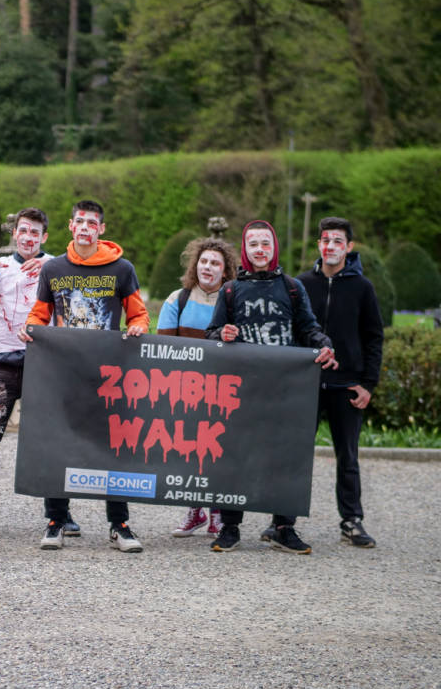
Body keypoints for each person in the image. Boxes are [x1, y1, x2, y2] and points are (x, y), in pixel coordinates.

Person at [19, 200, 149, 552]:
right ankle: (56, 519)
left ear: (101, 229)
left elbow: (138, 314)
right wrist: (30, 328)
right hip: (64, 374)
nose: (86, 227)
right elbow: (39, 314)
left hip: (110, 376)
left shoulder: (122, 268)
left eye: (92, 222)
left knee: (113, 448)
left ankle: (119, 524)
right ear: (70, 226)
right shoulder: (54, 269)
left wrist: (137, 328)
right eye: (80, 221)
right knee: (58, 445)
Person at [206, 219, 337, 554]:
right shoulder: (231, 289)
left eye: (265, 243)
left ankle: (283, 526)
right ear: (245, 249)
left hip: (283, 391)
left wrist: (323, 344)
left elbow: (308, 327)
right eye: (253, 244)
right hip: (242, 392)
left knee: (286, 456)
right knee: (236, 455)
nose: (260, 250)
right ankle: (230, 526)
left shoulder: (291, 287)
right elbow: (212, 332)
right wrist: (223, 334)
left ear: (274, 247)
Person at [0, 208, 71, 531]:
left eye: (35, 233)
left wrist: (54, 266)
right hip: (1, 361)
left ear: (44, 238)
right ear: (14, 233)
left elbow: (72, 295)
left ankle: (59, 513)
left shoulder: (54, 266)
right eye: (23, 231)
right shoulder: (0, 267)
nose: (28, 237)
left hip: (44, 361)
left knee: (52, 441)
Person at [295, 217, 383, 548]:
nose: (330, 246)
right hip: (307, 384)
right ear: (318, 245)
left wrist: (367, 384)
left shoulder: (363, 288)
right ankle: (283, 521)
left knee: (347, 456)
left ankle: (351, 521)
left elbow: (374, 338)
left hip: (347, 385)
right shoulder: (302, 284)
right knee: (295, 454)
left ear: (348, 247)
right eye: (325, 240)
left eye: (337, 241)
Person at [156, 237, 238, 538]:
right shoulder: (177, 298)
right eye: (203, 261)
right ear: (195, 265)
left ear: (225, 270)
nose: (208, 267)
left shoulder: (233, 299)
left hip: (222, 392)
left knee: (217, 451)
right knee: (188, 451)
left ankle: (217, 513)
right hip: (185, 392)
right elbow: (163, 345)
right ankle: (195, 511)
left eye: (215, 263)